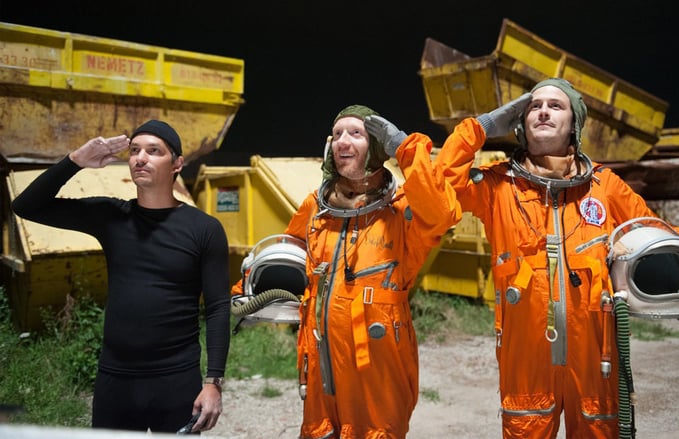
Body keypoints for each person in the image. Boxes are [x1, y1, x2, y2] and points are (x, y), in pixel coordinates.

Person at [434, 78, 679, 438]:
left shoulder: (604, 186)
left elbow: (658, 232)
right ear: (521, 123)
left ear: (574, 122)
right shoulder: (498, 185)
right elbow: (436, 188)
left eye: (556, 106)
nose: (543, 111)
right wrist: (479, 128)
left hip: (595, 360)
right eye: (534, 106)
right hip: (526, 363)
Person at [11, 120, 231, 434]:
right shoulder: (111, 216)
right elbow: (26, 206)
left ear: (177, 164)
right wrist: (75, 161)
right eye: (135, 150)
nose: (140, 158)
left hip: (176, 379)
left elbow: (218, 307)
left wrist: (213, 382)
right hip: (116, 380)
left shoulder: (204, 229)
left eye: (154, 151)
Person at [282, 105, 461, 438]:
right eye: (337, 134)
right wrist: (252, 290)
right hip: (321, 362)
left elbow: (441, 213)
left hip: (378, 365)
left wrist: (404, 149)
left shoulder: (402, 210)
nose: (343, 141)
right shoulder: (317, 207)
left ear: (377, 148)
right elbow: (287, 254)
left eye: (356, 133)